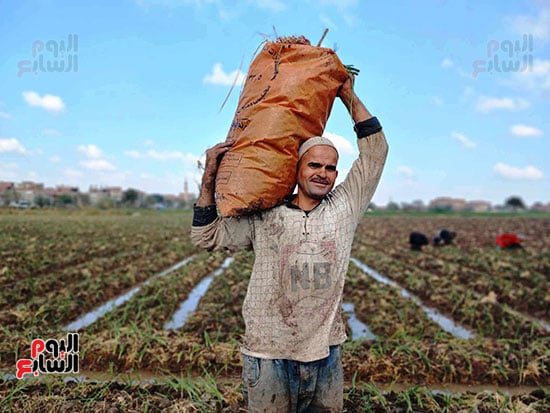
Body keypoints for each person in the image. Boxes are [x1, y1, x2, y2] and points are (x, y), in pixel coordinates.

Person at [190, 75, 388, 412]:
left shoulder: (345, 206)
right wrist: (209, 177)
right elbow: (205, 236)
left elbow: (376, 151)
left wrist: (347, 94)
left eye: (330, 168)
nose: (323, 173)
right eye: (314, 165)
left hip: (326, 352)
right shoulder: (266, 215)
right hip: (268, 354)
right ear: (295, 169)